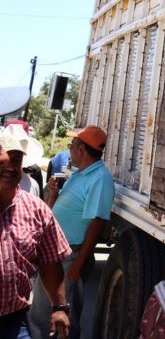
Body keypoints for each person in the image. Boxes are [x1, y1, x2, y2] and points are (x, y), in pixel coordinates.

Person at [30, 126, 114, 339]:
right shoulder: (81, 174)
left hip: (69, 257)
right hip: (56, 255)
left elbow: (97, 224)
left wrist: (78, 264)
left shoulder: (100, 179)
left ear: (82, 149)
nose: (69, 150)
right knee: (41, 314)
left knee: (64, 318)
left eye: (71, 145)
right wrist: (53, 195)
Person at [0, 128, 70, 339]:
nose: (11, 167)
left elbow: (50, 262)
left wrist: (59, 307)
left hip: (13, 323)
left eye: (17, 159)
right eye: (3, 160)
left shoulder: (36, 209)